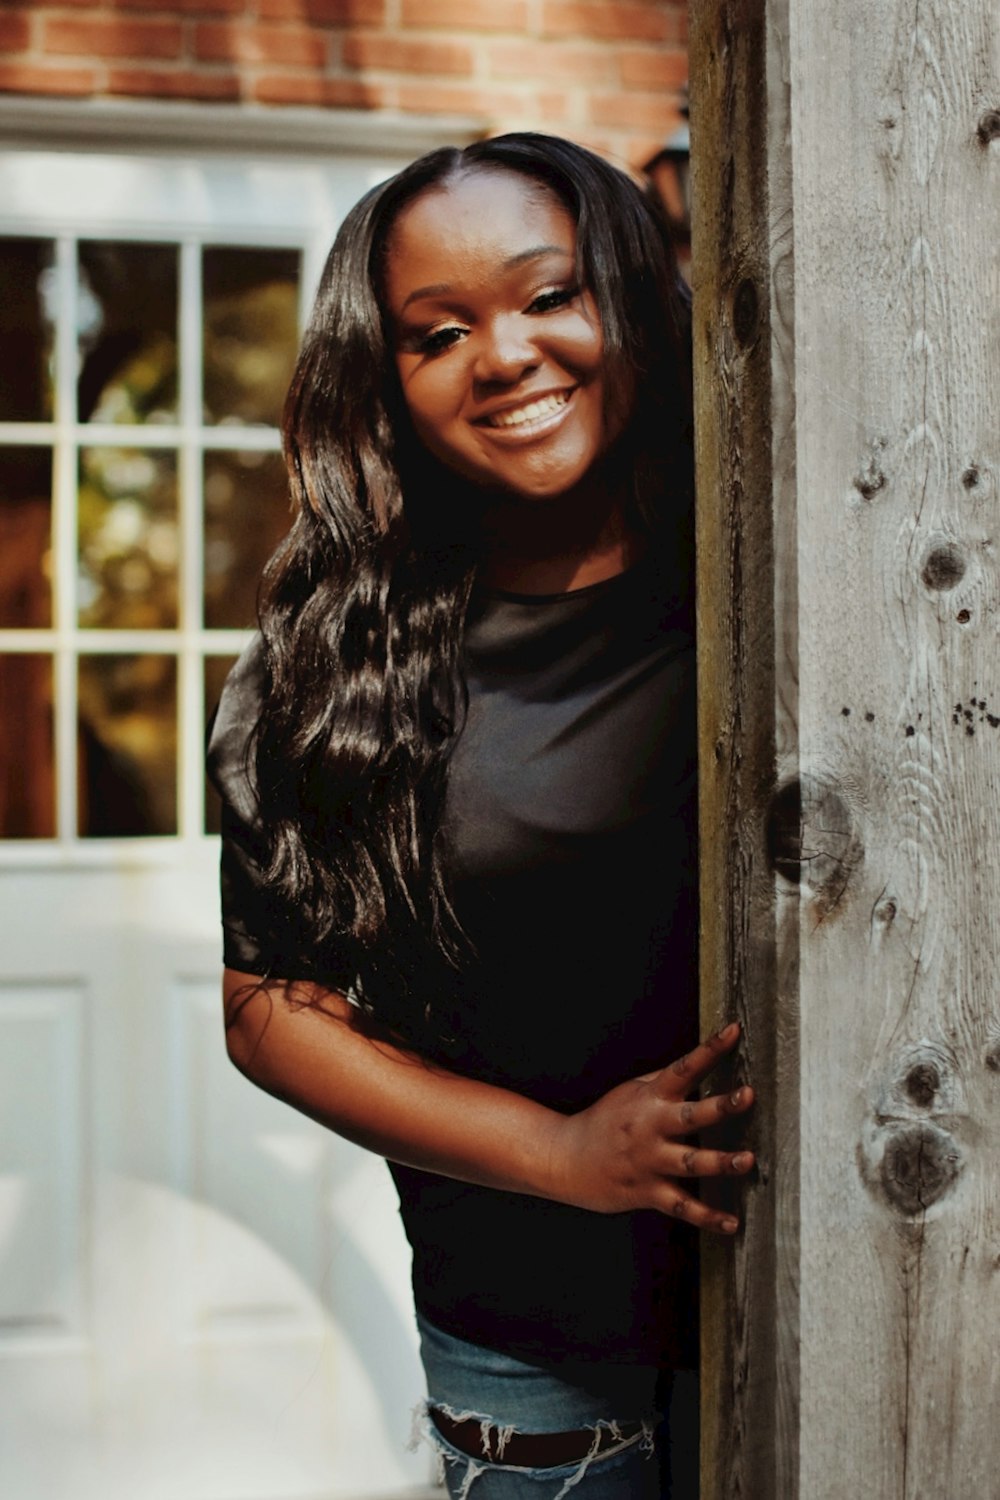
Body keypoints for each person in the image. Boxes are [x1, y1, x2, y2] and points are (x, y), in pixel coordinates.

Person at [207, 132, 754, 1499]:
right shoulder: (326, 665)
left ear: (630, 294)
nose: (503, 357)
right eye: (437, 332)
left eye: (548, 295)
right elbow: (272, 1013)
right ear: (386, 382)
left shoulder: (778, 569)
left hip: (858, 1283)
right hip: (536, 1353)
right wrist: (564, 1156)